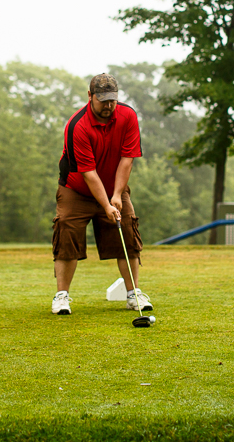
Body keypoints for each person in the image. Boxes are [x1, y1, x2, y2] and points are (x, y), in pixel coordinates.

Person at [51, 73, 152, 316]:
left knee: (127, 228)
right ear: (90, 96)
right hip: (77, 189)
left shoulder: (127, 116)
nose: (108, 106)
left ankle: (133, 294)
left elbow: (127, 159)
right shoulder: (77, 125)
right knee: (66, 230)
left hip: (113, 185)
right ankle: (62, 296)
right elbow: (88, 172)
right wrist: (106, 205)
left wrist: (116, 196)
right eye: (102, 100)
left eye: (112, 100)